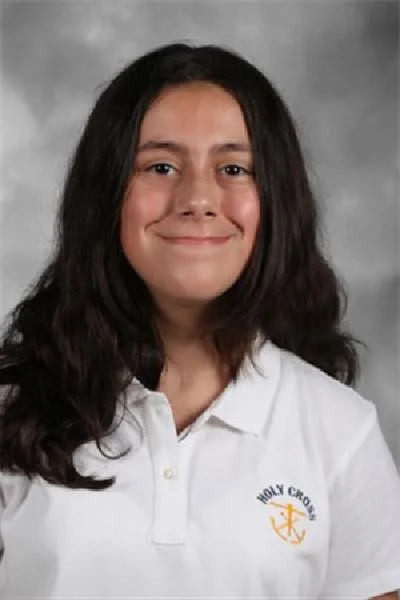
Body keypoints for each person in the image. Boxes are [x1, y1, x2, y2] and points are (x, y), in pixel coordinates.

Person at [0, 42, 399, 600]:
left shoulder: (341, 429)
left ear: (275, 201)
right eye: (161, 167)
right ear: (106, 196)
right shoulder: (12, 411)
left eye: (233, 169)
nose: (198, 199)